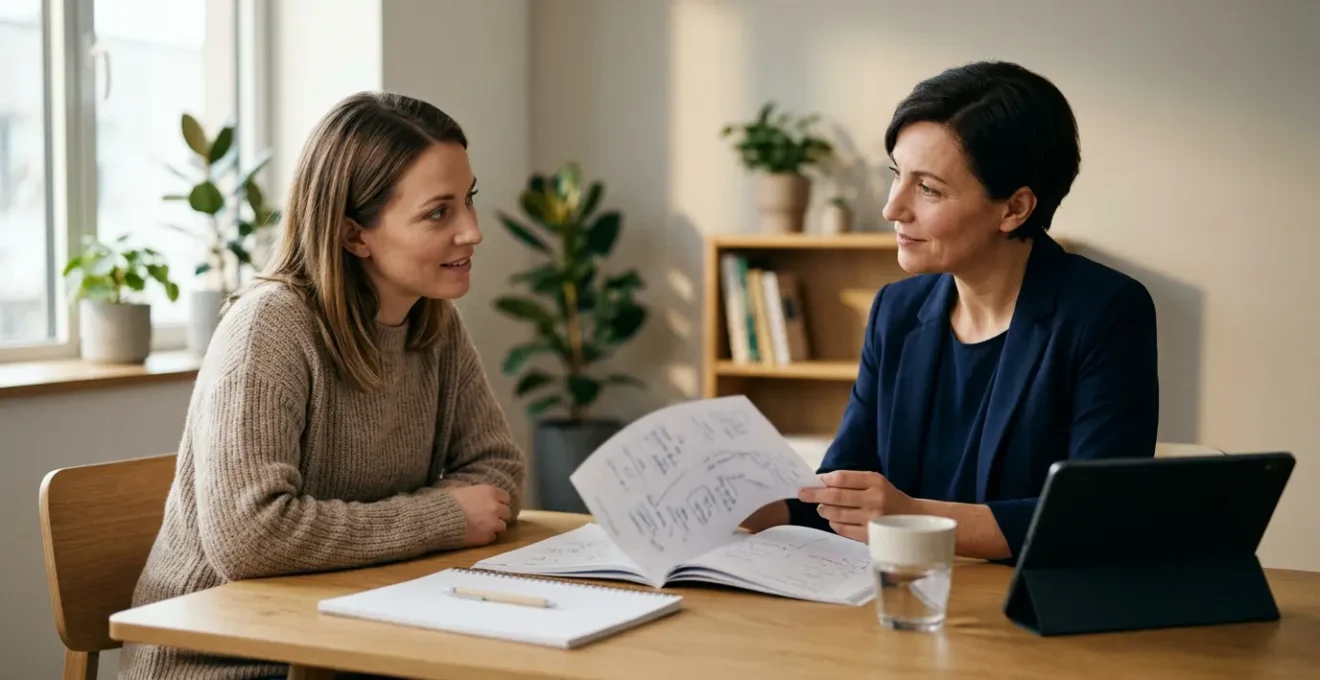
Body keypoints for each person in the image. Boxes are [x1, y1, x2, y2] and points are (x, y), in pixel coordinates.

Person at [120, 92, 526, 680]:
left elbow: (497, 473)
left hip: (354, 643)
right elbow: (251, 536)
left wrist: (447, 515)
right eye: (439, 213)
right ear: (353, 234)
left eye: (469, 201)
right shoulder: (270, 328)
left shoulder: (434, 324)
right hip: (221, 663)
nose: (472, 232)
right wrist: (439, 518)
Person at [743, 61, 1159, 562]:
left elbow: (1098, 513)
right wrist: (754, 505)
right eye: (897, 175)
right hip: (896, 604)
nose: (892, 209)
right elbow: (846, 495)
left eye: (928, 189)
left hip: (1033, 615)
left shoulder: (1105, 311)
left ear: (1014, 208)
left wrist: (911, 519)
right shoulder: (896, 312)